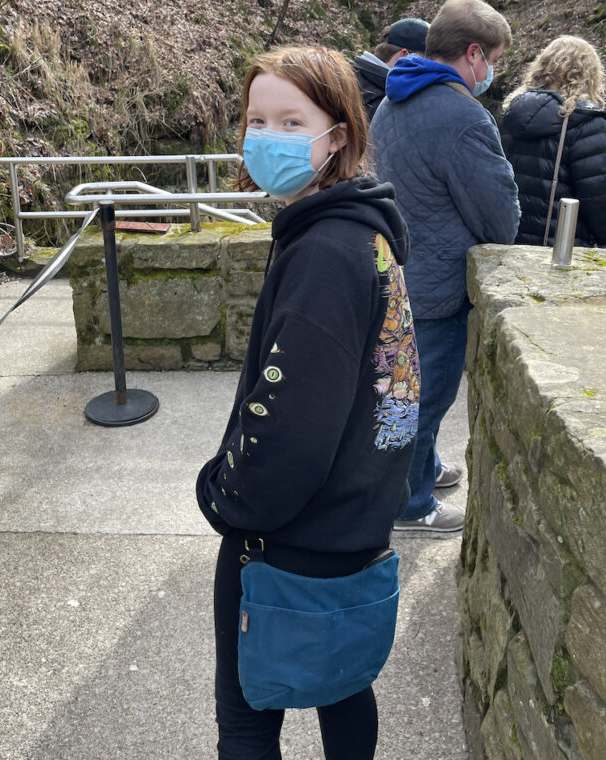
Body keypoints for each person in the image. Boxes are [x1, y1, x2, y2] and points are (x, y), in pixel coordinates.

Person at [196, 46, 419, 760]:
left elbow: (291, 430)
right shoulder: (366, 236)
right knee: (344, 684)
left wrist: (225, 498)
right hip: (356, 526)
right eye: (256, 119)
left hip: (288, 542)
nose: (267, 136)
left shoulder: (324, 253)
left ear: (339, 135)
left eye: (292, 121)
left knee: (247, 716)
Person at [370, 0, 520, 534]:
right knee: (423, 401)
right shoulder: (462, 114)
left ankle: (426, 470)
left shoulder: (393, 98)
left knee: (401, 390)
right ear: (473, 53)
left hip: (401, 273)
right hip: (438, 288)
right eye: (494, 59)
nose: (493, 72)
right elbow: (500, 219)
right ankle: (411, 507)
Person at [499, 35, 606, 248]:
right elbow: (600, 202)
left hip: (510, 244)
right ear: (590, 75)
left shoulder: (513, 113)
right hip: (563, 251)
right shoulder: (589, 124)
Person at [353, 17, 430, 121]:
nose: (429, 69)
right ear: (403, 56)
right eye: (425, 61)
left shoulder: (349, 76)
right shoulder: (384, 101)